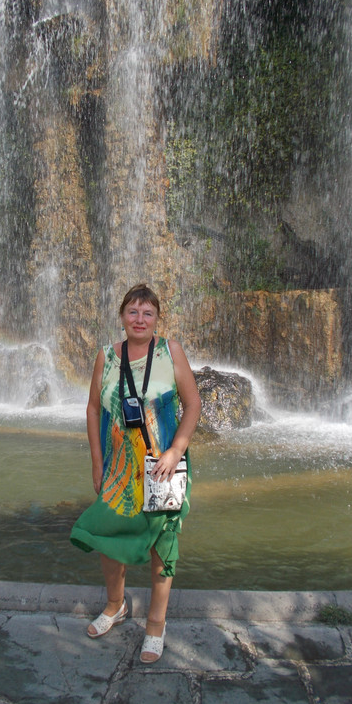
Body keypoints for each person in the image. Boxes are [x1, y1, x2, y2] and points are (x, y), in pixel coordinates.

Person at [70, 283, 202, 663]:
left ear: (157, 318)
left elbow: (193, 404)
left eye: (147, 313)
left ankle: (156, 625)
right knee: (108, 533)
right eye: (133, 312)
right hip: (118, 466)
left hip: (163, 466)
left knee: (163, 543)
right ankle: (116, 605)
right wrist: (97, 461)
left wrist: (176, 450)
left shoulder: (170, 351)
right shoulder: (107, 357)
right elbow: (93, 409)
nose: (139, 319)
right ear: (122, 316)